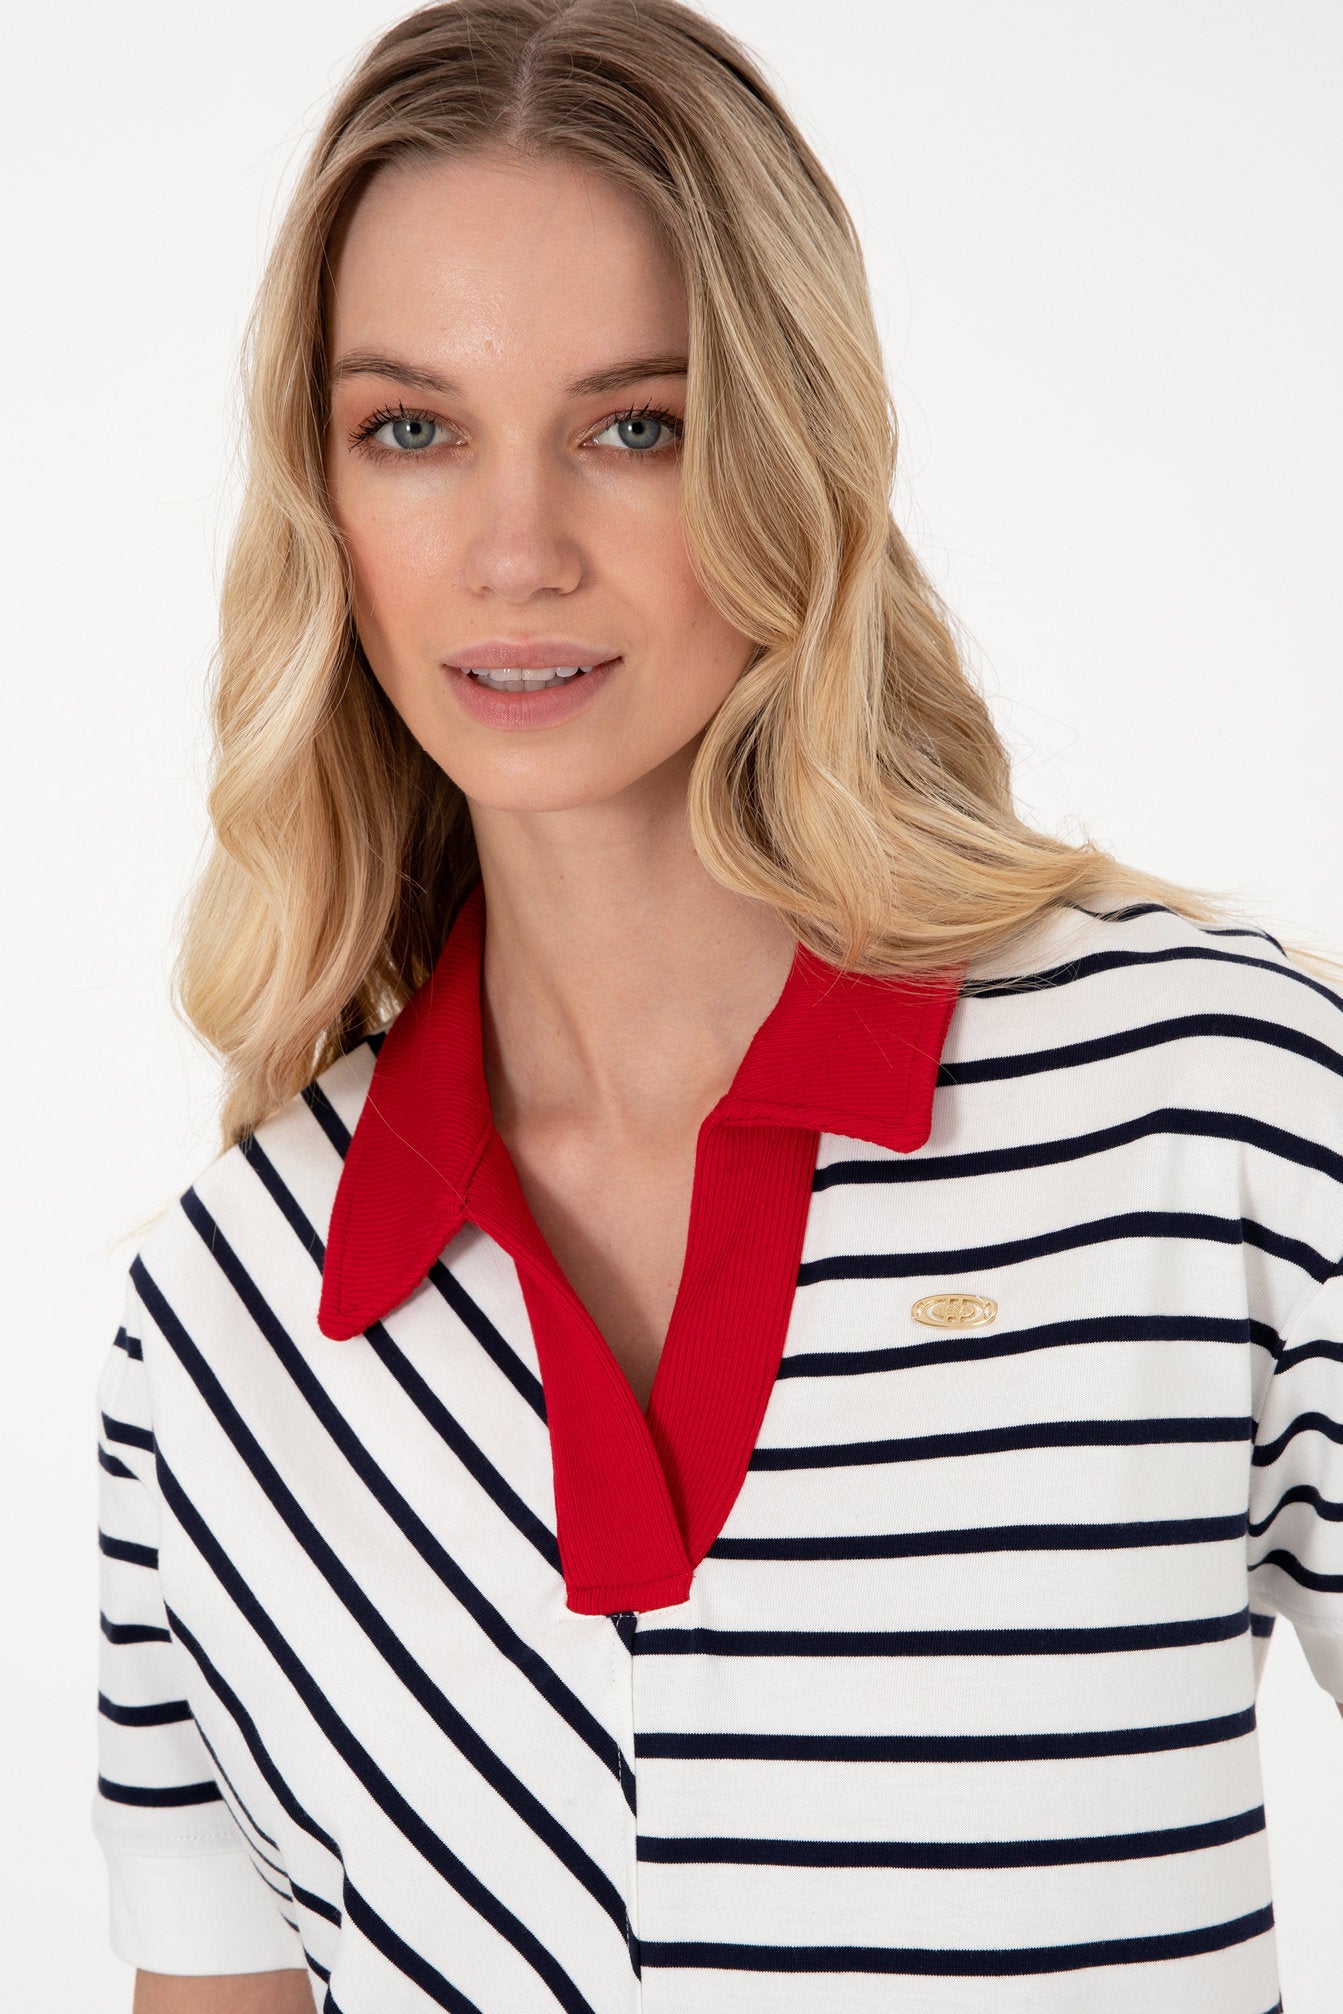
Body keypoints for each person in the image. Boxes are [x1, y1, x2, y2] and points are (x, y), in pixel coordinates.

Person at [91, 2, 1343, 2010]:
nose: (515, 552)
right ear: (321, 496)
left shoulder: (1212, 1111)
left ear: (788, 452)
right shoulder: (221, 1324)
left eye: (636, 427)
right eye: (411, 428)